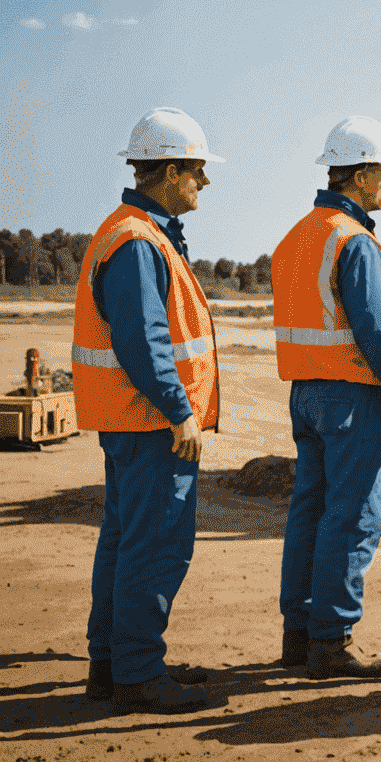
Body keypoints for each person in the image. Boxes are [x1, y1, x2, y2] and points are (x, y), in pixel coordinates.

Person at [72, 107, 222, 715]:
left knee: (126, 541)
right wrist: (179, 410)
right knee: (155, 545)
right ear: (166, 171)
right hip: (148, 421)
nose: (203, 183)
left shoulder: (133, 231)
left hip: (130, 420)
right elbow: (142, 338)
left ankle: (113, 663)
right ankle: (136, 671)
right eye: (196, 171)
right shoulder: (137, 240)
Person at [272, 116, 381, 680]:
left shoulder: (297, 236)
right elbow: (376, 327)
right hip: (349, 394)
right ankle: (333, 639)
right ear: (357, 174)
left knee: (308, 509)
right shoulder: (353, 241)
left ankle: (299, 634)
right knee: (352, 515)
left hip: (304, 393)